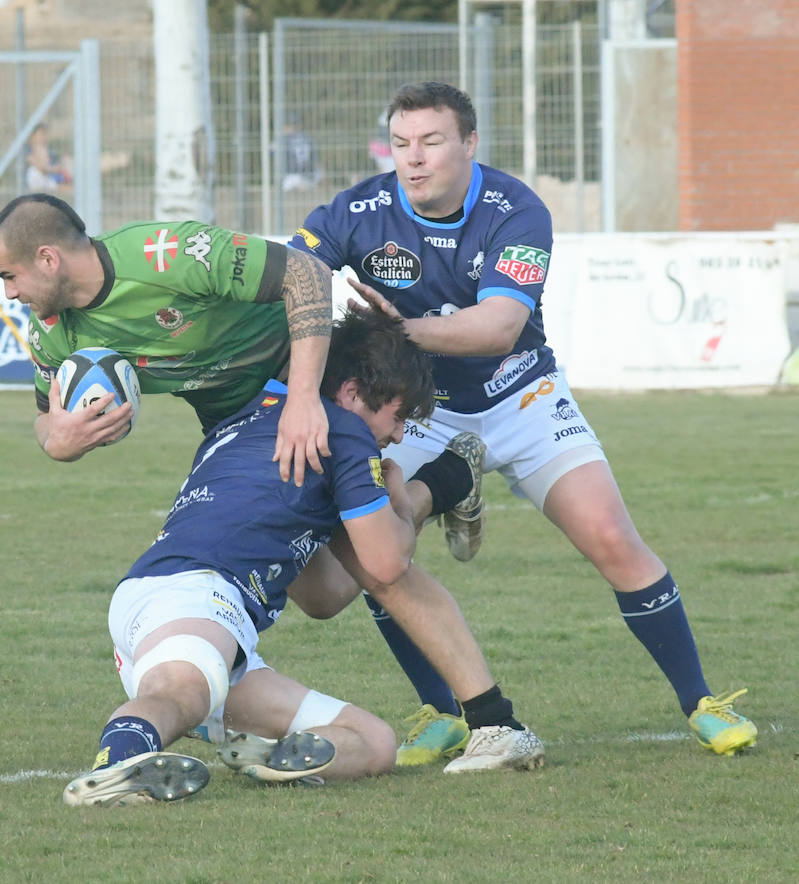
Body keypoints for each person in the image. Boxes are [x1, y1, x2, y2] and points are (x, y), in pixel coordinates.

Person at [289, 81, 757, 765]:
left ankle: (699, 702)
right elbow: (290, 275)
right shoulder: (355, 211)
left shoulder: (516, 210)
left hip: (520, 394)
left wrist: (401, 331)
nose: (412, 159)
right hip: (418, 412)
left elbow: (500, 326)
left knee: (608, 535)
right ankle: (443, 712)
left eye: (431, 142)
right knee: (378, 552)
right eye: (399, 144)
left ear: (469, 144)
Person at [62, 310, 540, 807]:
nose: (399, 435)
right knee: (181, 693)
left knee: (371, 742)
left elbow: (323, 596)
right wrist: (402, 498)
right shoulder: (344, 431)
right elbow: (386, 565)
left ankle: (261, 755)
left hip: (191, 619)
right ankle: (116, 765)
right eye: (398, 417)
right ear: (353, 393)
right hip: (193, 598)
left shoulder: (250, 416)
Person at [0, 193, 332, 486]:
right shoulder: (49, 330)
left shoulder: (169, 253)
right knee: (279, 538)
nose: (9, 293)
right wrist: (57, 443)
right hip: (233, 420)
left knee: (360, 510)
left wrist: (302, 399)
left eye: (9, 276)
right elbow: (45, 417)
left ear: (47, 259)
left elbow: (305, 272)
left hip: (316, 376)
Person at [25, 124, 72, 194]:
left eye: (44, 134)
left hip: (47, 177)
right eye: (41, 134)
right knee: (65, 188)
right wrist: (56, 169)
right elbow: (41, 167)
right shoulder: (30, 150)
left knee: (68, 187)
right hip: (38, 177)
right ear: (33, 136)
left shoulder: (45, 149)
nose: (44, 137)